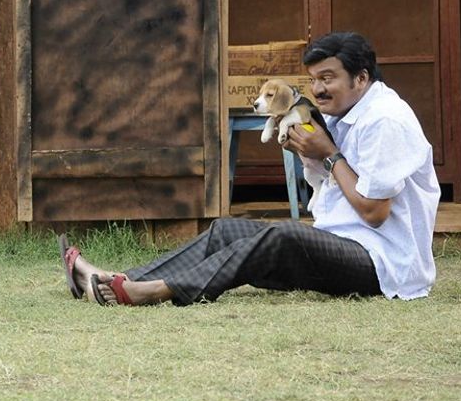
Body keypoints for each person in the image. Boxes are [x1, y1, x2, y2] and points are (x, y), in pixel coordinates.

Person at [60, 31, 439, 306]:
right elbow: (334, 182)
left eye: (328, 78)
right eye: (313, 80)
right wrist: (311, 152)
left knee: (283, 236)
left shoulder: (384, 120)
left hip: (382, 264)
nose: (318, 89)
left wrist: (328, 154)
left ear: (361, 78)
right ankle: (118, 280)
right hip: (342, 240)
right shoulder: (344, 111)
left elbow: (374, 212)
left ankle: (157, 291)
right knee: (227, 229)